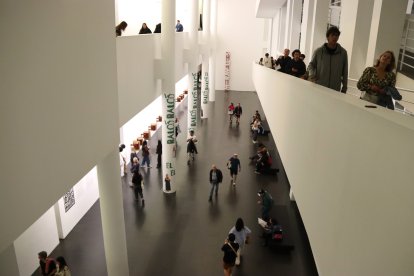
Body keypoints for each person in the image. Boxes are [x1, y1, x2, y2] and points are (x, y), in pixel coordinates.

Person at [308, 26, 348, 93]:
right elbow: (311, 65)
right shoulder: (319, 51)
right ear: (327, 37)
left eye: (337, 35)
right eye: (332, 35)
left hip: (335, 88)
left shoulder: (343, 53)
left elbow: (345, 71)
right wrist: (312, 76)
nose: (335, 37)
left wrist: (344, 87)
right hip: (320, 86)